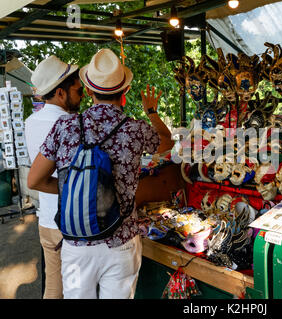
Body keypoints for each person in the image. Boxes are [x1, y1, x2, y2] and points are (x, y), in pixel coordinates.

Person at [27, 48, 173, 299]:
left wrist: (73, 187)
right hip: (121, 242)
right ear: (125, 91)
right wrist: (152, 112)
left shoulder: (65, 126)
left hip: (76, 244)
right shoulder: (135, 129)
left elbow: (35, 180)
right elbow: (167, 142)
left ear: (90, 90)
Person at [25, 55, 84, 299]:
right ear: (61, 93)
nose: (82, 96)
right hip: (72, 222)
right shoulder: (72, 123)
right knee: (79, 290)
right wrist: (73, 187)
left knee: (53, 287)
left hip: (46, 220)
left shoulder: (30, 121)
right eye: (78, 91)